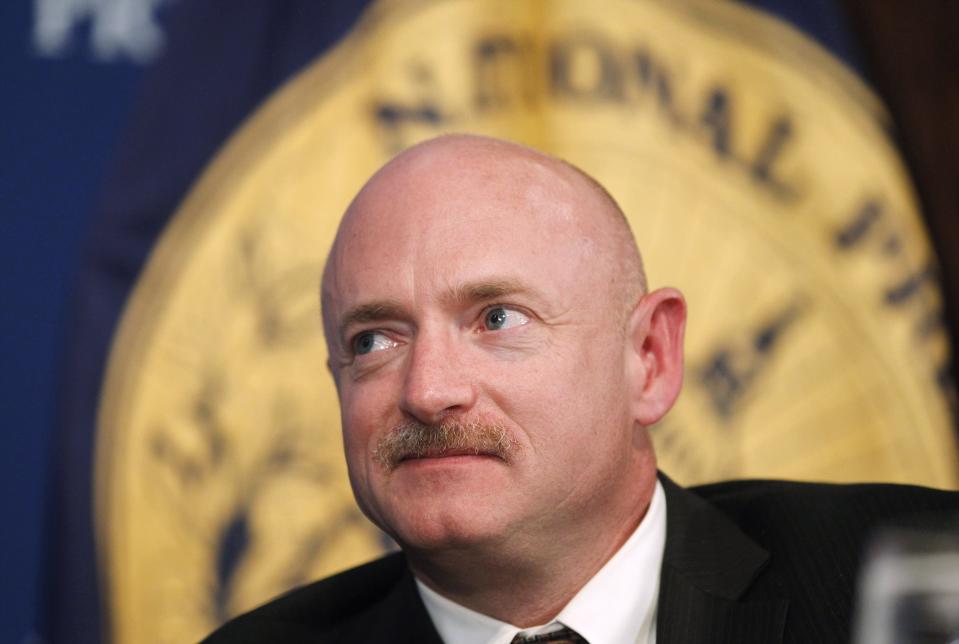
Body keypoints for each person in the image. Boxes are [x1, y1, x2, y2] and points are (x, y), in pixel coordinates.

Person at [205, 134, 959, 644]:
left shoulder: (909, 583)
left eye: (496, 318)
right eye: (374, 340)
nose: (428, 391)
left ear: (650, 359)